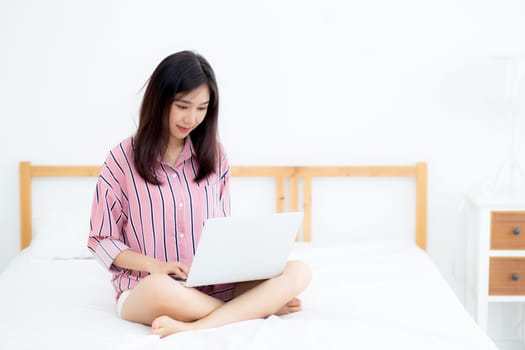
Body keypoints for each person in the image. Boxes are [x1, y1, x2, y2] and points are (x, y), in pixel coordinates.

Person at [87, 50, 312, 338]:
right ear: (160, 100)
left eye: (202, 108)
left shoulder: (215, 156)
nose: (191, 118)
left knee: (299, 271)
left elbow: (222, 227)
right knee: (160, 287)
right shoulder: (121, 159)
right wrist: (154, 266)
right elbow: (101, 240)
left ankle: (199, 323)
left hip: (213, 284)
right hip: (146, 288)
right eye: (182, 106)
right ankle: (254, 308)